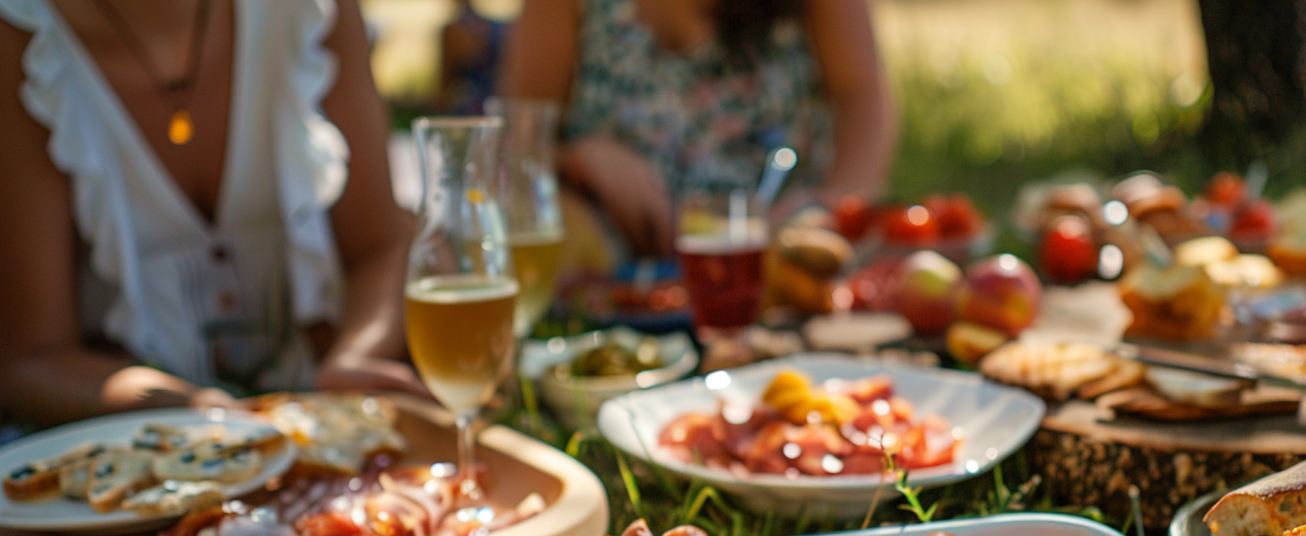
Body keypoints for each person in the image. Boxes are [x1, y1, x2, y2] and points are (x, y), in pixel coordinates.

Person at [0, 0, 429, 427]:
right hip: (134, 453)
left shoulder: (311, 12)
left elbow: (382, 244)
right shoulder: (24, 38)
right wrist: (188, 414)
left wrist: (355, 358)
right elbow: (32, 361)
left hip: (324, 429)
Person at [499, 0, 895, 261]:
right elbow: (514, 140)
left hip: (781, 254)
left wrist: (832, 203)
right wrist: (582, 158)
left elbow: (863, 98)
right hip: (619, 271)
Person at [435, 0, 507, 116]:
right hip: (466, 107)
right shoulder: (452, 31)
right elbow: (444, 86)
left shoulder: (498, 29)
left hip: (490, 106)